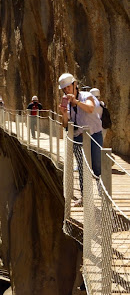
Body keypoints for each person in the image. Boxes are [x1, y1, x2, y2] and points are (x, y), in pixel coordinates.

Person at [58, 73, 103, 205]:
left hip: (94, 135)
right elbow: (66, 124)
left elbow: (90, 108)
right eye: (64, 89)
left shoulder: (87, 96)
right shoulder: (67, 103)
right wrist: (64, 114)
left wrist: (76, 102)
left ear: (75, 85)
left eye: (68, 87)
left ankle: (103, 194)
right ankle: (85, 198)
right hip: (79, 137)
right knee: (83, 168)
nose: (67, 90)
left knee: (97, 166)